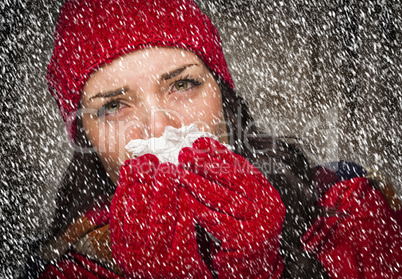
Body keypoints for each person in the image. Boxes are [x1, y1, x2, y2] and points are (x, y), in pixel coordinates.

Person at [26, 0, 402, 278]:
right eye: (113, 106)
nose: (159, 127)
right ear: (87, 139)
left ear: (224, 99)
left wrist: (261, 264)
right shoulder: (67, 270)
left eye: (182, 85)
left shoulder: (350, 212)